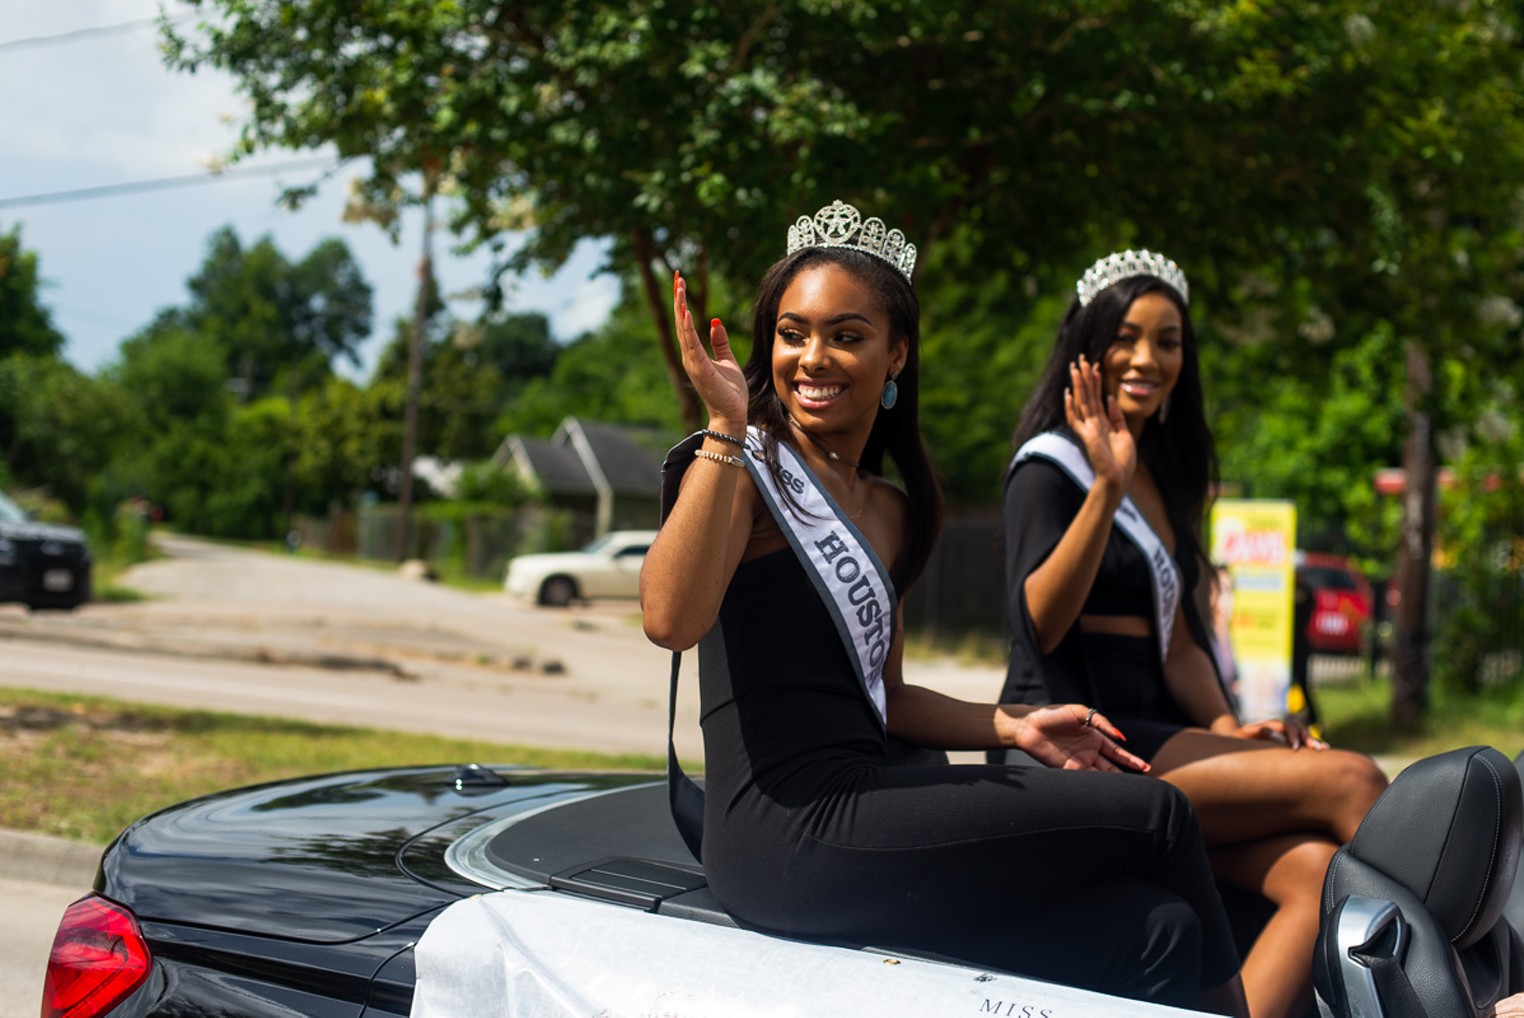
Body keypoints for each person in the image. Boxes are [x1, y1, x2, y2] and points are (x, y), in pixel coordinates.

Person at [641, 202, 1248, 1014]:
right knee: (1161, 816)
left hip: (865, 800)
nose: (813, 357)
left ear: (897, 353)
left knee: (1156, 928)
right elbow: (670, 621)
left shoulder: (894, 509)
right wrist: (724, 424)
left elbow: (884, 698)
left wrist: (1012, 726)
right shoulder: (742, 468)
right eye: (793, 333)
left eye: (846, 335)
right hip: (782, 833)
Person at [997, 250, 1389, 1018]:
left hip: (1158, 735)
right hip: (1076, 744)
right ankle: (1465, 984)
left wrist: (1224, 728)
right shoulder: (1048, 468)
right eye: (1127, 336)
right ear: (1088, 346)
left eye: (1168, 340)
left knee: (1313, 871)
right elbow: (1039, 625)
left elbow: (1177, 643)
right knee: (1351, 780)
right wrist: (1105, 489)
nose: (1147, 358)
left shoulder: (1165, 474)